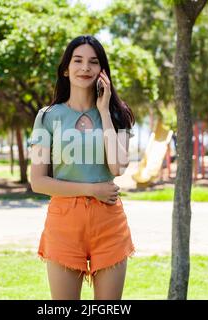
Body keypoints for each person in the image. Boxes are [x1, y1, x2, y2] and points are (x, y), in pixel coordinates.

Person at [29, 35, 136, 300]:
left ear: (102, 71)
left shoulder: (117, 114)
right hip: (64, 222)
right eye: (77, 61)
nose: (85, 68)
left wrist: (103, 110)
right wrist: (92, 189)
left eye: (93, 62)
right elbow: (38, 181)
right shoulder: (47, 116)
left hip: (109, 222)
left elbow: (118, 165)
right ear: (66, 69)